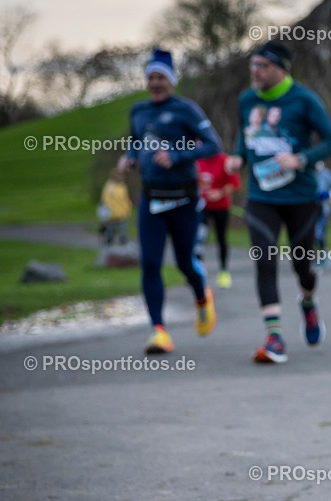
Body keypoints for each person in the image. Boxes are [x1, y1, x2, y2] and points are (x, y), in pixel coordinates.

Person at [225, 41, 331, 364]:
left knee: (302, 266)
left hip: (301, 197)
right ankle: (274, 337)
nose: (255, 72)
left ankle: (307, 301)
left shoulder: (304, 100)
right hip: (262, 197)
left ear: (280, 69)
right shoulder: (247, 99)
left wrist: (301, 158)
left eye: (262, 66)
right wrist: (238, 157)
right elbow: (245, 134)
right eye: (252, 65)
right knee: (264, 259)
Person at [118, 48, 221, 354]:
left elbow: (214, 145)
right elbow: (137, 141)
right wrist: (130, 158)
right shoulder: (138, 111)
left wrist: (178, 156)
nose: (155, 83)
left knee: (184, 261)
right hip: (152, 199)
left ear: (172, 80)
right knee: (150, 263)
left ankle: (202, 297)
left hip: (184, 199)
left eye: (161, 77)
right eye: (151, 77)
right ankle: (158, 331)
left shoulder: (186, 110)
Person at [197, 151, 241, 288]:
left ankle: (223, 271)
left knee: (221, 238)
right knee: (199, 237)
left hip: (221, 207)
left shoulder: (225, 160)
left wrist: (219, 193)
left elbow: (234, 183)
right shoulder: (197, 159)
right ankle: (198, 272)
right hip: (202, 206)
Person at [313, 161, 331, 271]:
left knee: (319, 234)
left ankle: (323, 255)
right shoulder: (308, 174)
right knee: (312, 236)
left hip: (323, 210)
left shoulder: (326, 174)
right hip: (309, 210)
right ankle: (313, 258)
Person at [99, 169, 132, 245]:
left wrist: (128, 209)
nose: (120, 178)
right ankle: (109, 242)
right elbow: (105, 199)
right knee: (111, 230)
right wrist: (108, 210)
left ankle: (123, 244)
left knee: (123, 230)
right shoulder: (110, 186)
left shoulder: (123, 186)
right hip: (112, 213)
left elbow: (126, 198)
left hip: (122, 213)